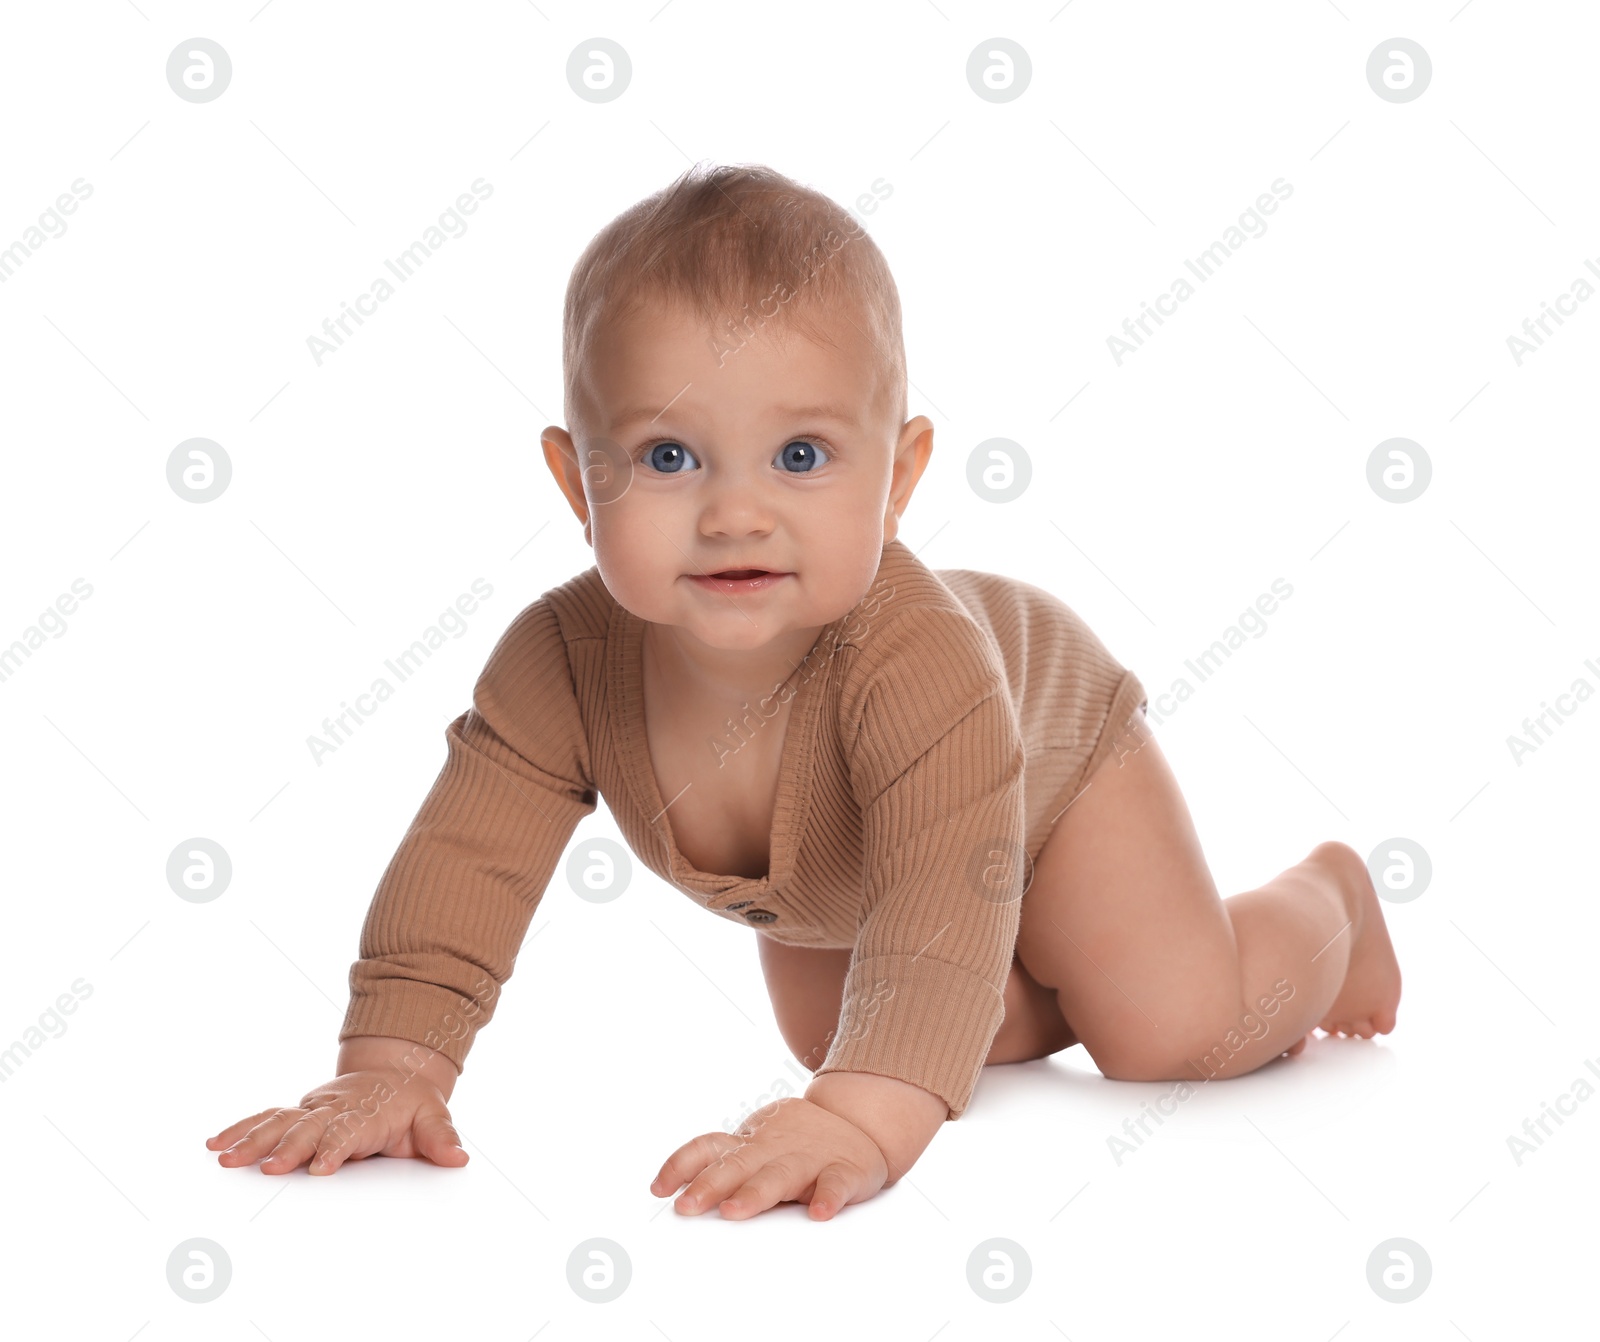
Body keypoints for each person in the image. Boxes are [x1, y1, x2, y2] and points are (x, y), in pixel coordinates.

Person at [208, 162, 1401, 1220]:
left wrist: (862, 1121)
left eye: (801, 456)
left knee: (1167, 1031)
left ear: (899, 476)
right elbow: (468, 862)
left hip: (1045, 761)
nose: (736, 511)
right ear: (578, 482)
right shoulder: (555, 662)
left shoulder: (918, 659)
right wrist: (393, 1065)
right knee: (878, 1035)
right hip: (862, 886)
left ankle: (1327, 903)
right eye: (668, 457)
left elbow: (939, 889)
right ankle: (1047, 963)